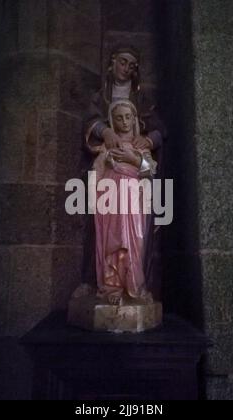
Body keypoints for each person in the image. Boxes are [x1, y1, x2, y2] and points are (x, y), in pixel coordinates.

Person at [93, 100, 157, 305]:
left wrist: (134, 159)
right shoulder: (108, 145)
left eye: (128, 117)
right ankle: (113, 286)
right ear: (113, 120)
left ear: (134, 118)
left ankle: (134, 285)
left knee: (134, 241)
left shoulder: (140, 145)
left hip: (134, 198)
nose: (125, 121)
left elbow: (150, 171)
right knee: (112, 241)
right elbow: (97, 170)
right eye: (119, 117)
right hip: (111, 197)